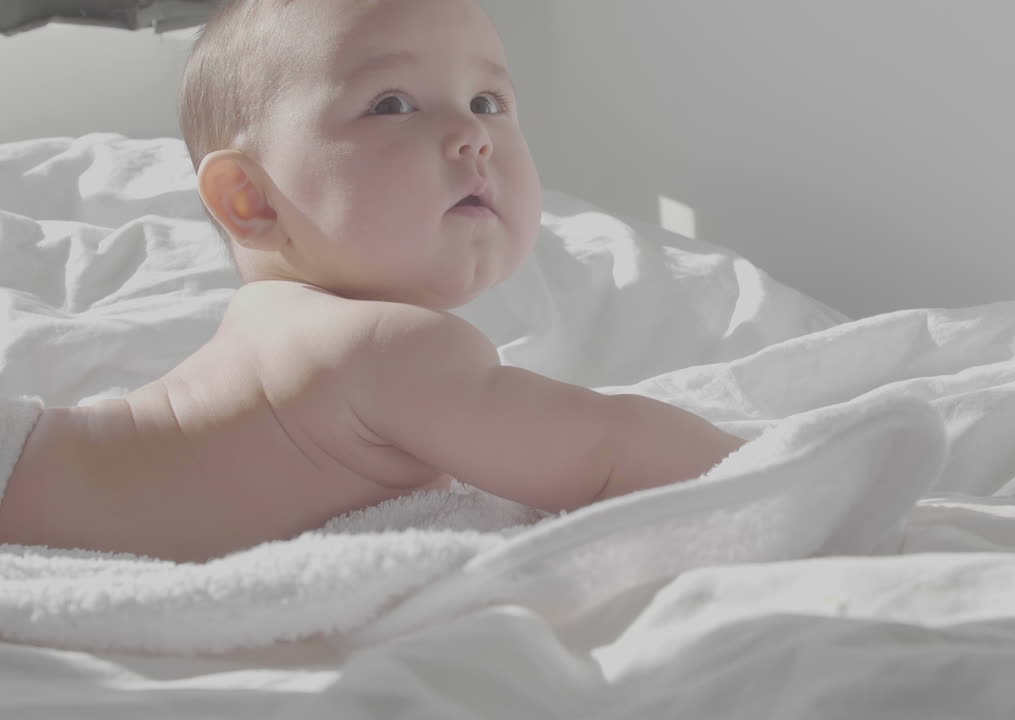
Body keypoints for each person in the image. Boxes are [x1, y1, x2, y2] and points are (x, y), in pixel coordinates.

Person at [0, 0, 746, 563]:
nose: (473, 134)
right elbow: (606, 452)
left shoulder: (279, 323)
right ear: (250, 201)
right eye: (393, 104)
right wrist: (768, 462)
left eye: (489, 101)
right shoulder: (389, 348)